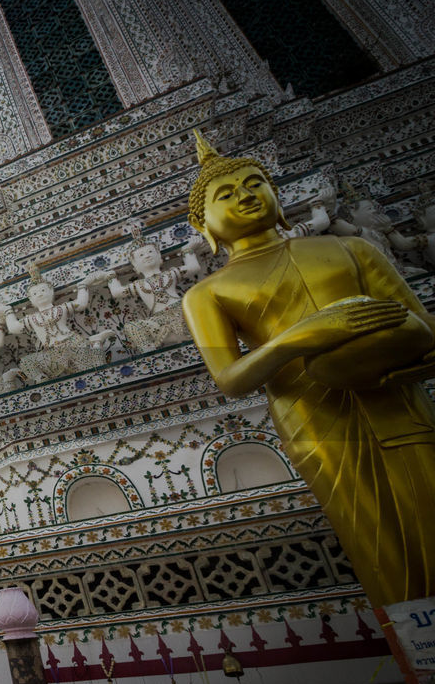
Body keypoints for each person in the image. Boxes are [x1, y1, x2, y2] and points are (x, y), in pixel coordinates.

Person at [181, 130, 435, 609]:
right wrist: (304, 334)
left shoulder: (352, 250)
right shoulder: (208, 293)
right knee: (375, 538)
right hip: (315, 417)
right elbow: (230, 379)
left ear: (278, 198)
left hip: (396, 395)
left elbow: (419, 323)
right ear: (205, 225)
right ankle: (422, 668)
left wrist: (403, 357)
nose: (247, 195)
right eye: (227, 194)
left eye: (255, 183)